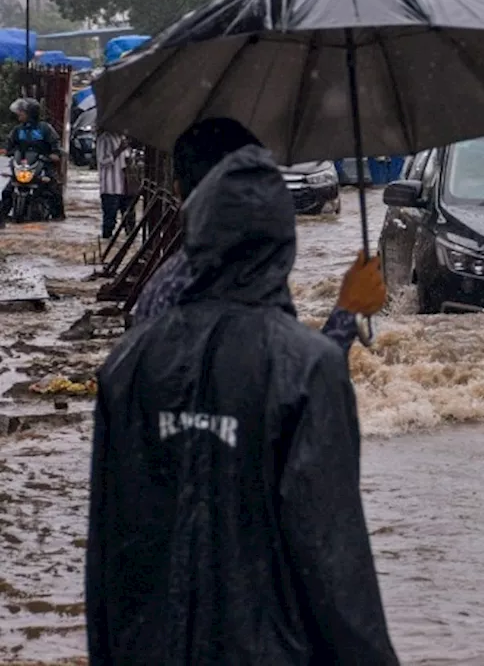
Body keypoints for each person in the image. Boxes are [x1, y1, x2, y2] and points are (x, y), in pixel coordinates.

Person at [87, 123, 399, 665]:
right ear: (283, 237)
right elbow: (331, 556)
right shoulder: (305, 367)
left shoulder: (129, 362)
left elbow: (108, 550)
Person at [132, 118, 385, 353]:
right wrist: (348, 314)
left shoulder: (161, 287)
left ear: (177, 190)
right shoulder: (243, 282)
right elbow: (291, 387)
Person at [0, 98, 64, 226]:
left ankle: (58, 216)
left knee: (54, 188)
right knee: (7, 191)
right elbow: (9, 144)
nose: (19, 114)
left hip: (42, 164)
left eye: (21, 112)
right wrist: (5, 150)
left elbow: (55, 144)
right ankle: (3, 217)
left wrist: (55, 154)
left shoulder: (45, 128)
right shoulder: (18, 130)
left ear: (30, 113)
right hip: (22, 165)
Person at [96, 129, 134, 239]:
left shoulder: (123, 138)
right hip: (110, 187)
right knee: (109, 221)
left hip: (126, 187)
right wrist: (119, 150)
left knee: (130, 221)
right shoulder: (104, 138)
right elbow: (103, 161)